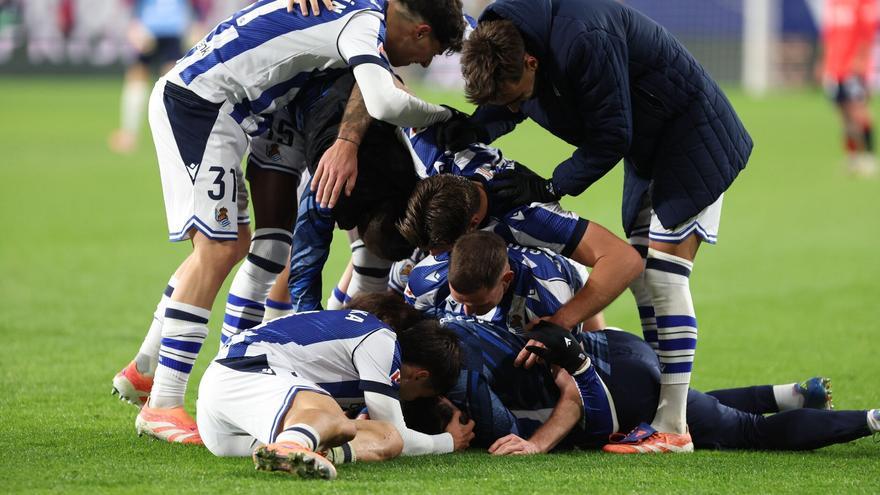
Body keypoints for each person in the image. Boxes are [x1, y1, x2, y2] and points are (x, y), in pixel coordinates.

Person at [112, 0, 468, 445]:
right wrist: (448, 118)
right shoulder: (364, 23)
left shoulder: (361, 15)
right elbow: (383, 99)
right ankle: (163, 403)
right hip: (205, 103)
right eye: (428, 53)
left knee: (242, 245)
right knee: (220, 248)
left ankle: (147, 367)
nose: (423, 63)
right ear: (420, 31)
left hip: (246, 109)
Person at [455, 0, 754, 452]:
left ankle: (673, 427)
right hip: (650, 149)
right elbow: (509, 106)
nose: (515, 107)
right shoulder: (506, 43)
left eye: (517, 97)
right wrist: (464, 132)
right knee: (646, 283)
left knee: (664, 277)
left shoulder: (584, 38)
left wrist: (550, 185)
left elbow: (611, 134)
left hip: (692, 135)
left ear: (531, 62)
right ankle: (666, 411)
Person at [436, 314, 879, 455]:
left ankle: (871, 419)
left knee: (747, 431)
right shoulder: (451, 327)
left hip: (617, 383)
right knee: (679, 407)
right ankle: (791, 395)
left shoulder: (463, 374)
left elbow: (574, 391)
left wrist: (536, 445)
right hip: (617, 349)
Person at [197, 294, 474, 480]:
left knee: (386, 437)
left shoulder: (351, 348)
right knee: (338, 420)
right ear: (420, 376)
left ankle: (309, 450)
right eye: (421, 396)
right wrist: (450, 441)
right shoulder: (380, 338)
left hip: (225, 433)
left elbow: (393, 437)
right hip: (241, 371)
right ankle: (293, 444)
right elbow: (400, 431)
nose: (410, 401)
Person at [406, 231, 636, 336]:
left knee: (591, 342)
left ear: (506, 281)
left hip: (562, 275)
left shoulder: (549, 300)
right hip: (509, 259)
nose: (467, 311)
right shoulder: (423, 278)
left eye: (478, 304)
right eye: (461, 300)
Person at [109, 0, 198, 153]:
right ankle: (180, 134)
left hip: (159, 27)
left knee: (155, 80)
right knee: (167, 82)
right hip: (164, 28)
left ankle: (131, 134)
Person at [821, 0, 878, 177]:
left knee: (858, 112)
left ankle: (868, 157)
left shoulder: (863, 3)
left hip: (853, 68)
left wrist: (861, 60)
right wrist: (825, 63)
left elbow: (867, 34)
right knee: (844, 115)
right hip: (835, 68)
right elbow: (829, 36)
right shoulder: (833, 4)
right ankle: (852, 157)